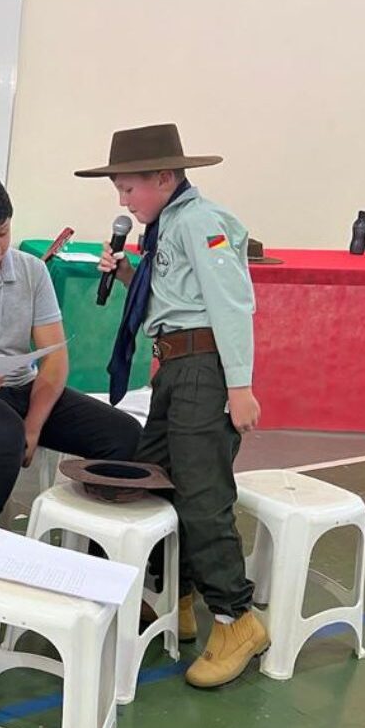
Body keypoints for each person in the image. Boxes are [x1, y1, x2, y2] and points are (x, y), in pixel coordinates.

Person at [83, 123, 267, 688]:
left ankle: (237, 618)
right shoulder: (167, 226)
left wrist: (240, 387)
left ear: (164, 177)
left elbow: (229, 305)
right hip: (174, 368)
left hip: (202, 371)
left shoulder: (199, 222)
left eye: (129, 188)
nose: (123, 200)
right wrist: (131, 272)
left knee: (202, 490)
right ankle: (179, 596)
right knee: (154, 474)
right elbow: (179, 294)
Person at [0, 175, 142, 527]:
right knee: (3, 437)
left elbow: (54, 357)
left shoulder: (31, 270)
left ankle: (93, 544)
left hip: (23, 386)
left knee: (125, 435)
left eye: (3, 233)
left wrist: (34, 425)